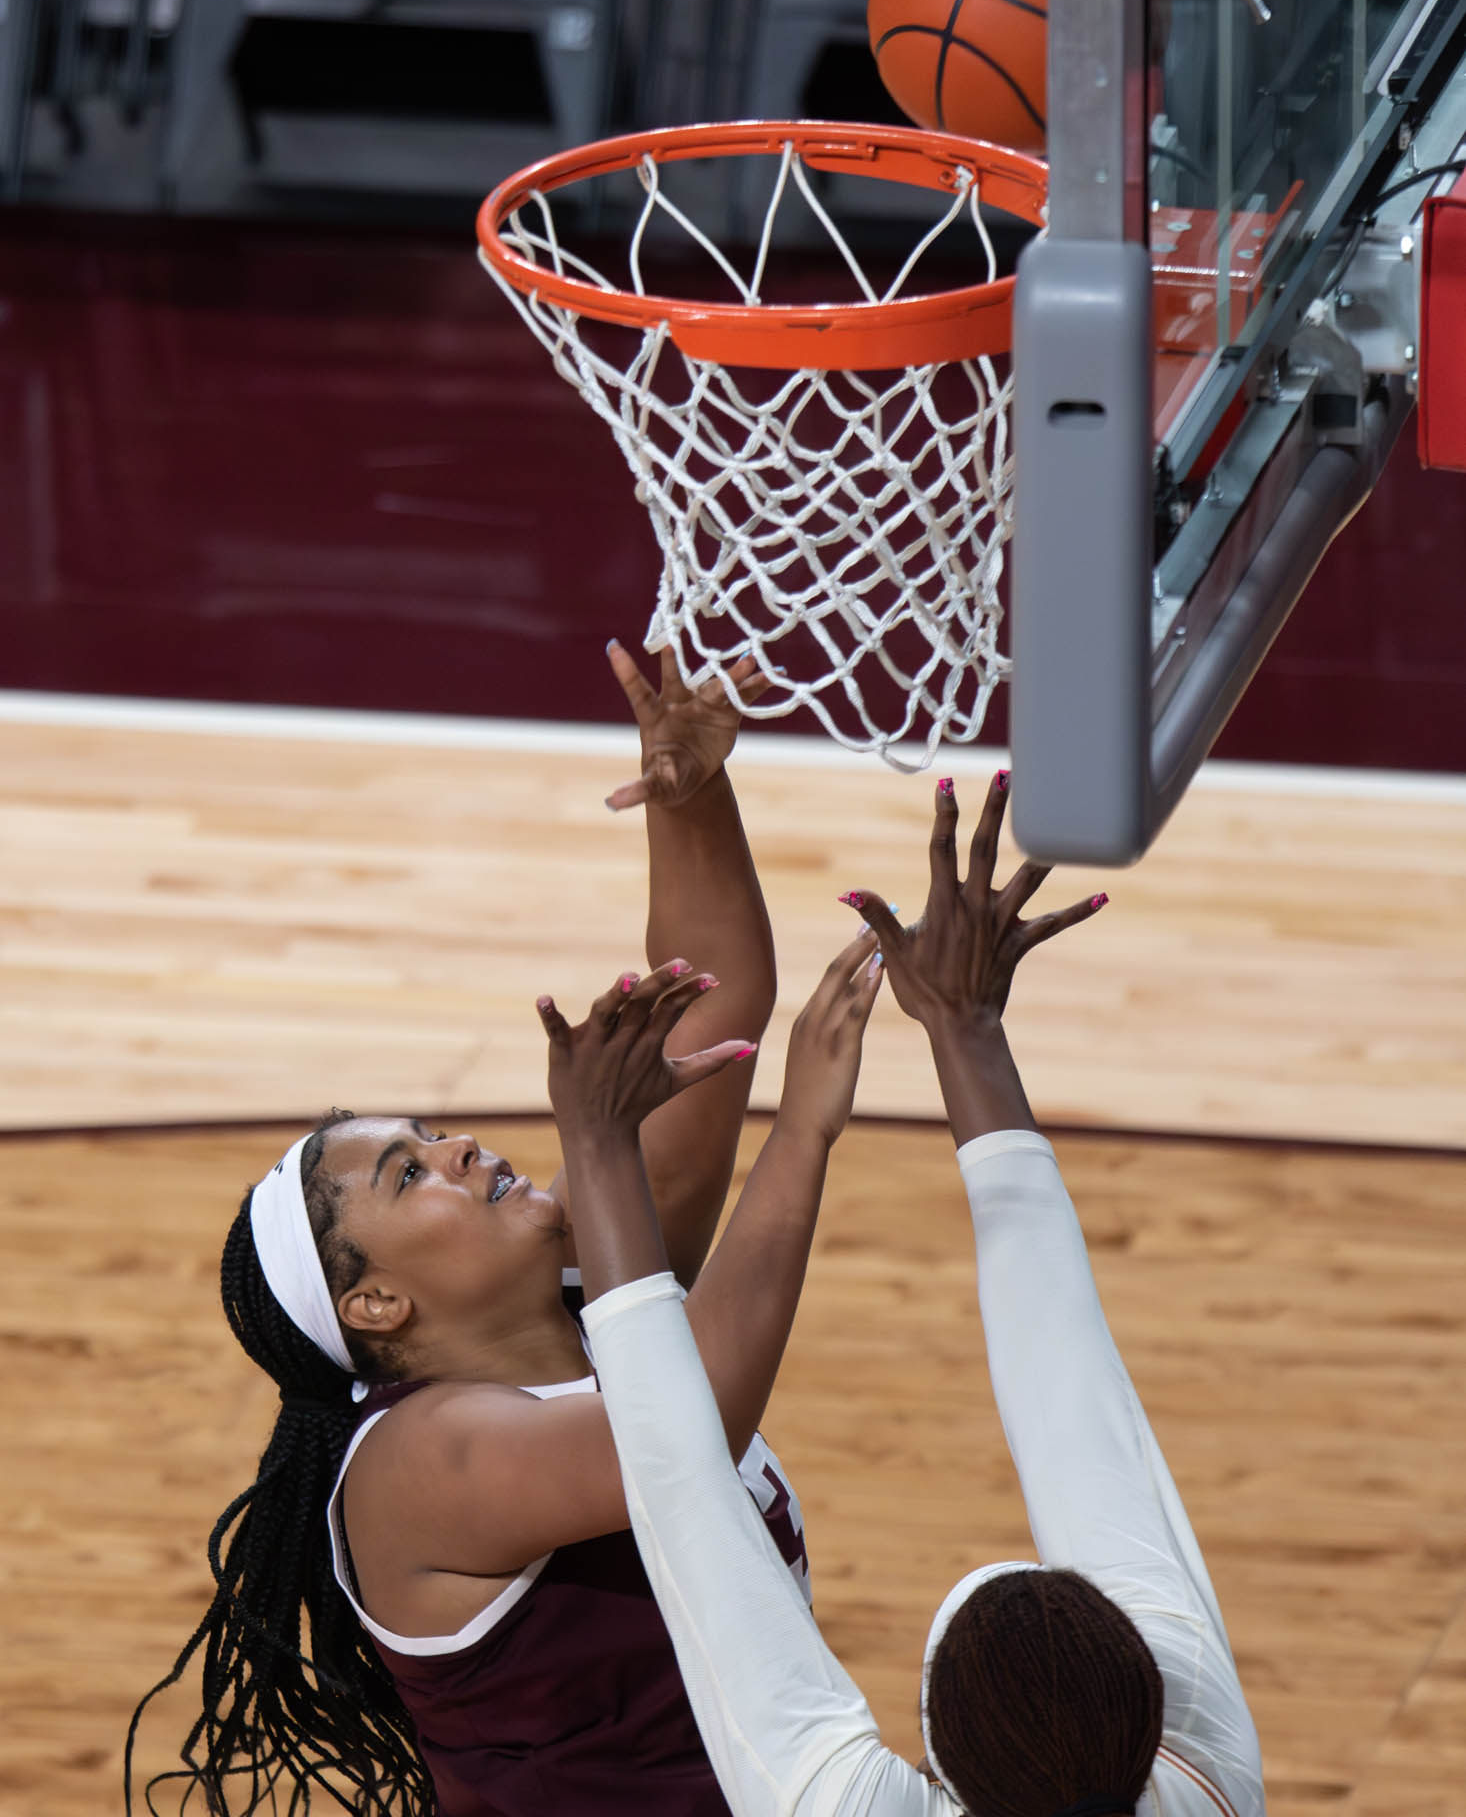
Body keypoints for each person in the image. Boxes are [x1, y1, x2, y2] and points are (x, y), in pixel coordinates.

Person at [125, 643, 854, 1816]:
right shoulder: (417, 1467)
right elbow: (689, 1422)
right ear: (373, 1303)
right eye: (411, 1172)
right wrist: (800, 1134)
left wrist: (689, 792)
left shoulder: (587, 1277)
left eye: (428, 1133)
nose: (460, 1149)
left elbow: (708, 1001)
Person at [542, 771, 1268, 1817]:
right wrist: (965, 1028)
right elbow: (681, 1482)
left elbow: (678, 1490)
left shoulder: (1200, 1755)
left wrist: (603, 1142)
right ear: (1144, 1706)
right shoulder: (1195, 1769)